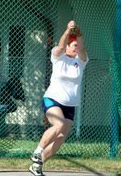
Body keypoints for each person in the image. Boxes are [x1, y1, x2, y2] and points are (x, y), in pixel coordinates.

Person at [29, 20, 89, 176]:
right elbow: (61, 47)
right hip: (53, 99)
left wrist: (79, 33)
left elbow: (82, 49)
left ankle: (38, 164)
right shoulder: (58, 56)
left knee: (61, 137)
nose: (76, 48)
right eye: (74, 45)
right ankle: (38, 151)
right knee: (58, 125)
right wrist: (68, 30)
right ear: (68, 46)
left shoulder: (80, 62)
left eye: (77, 45)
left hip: (70, 105)